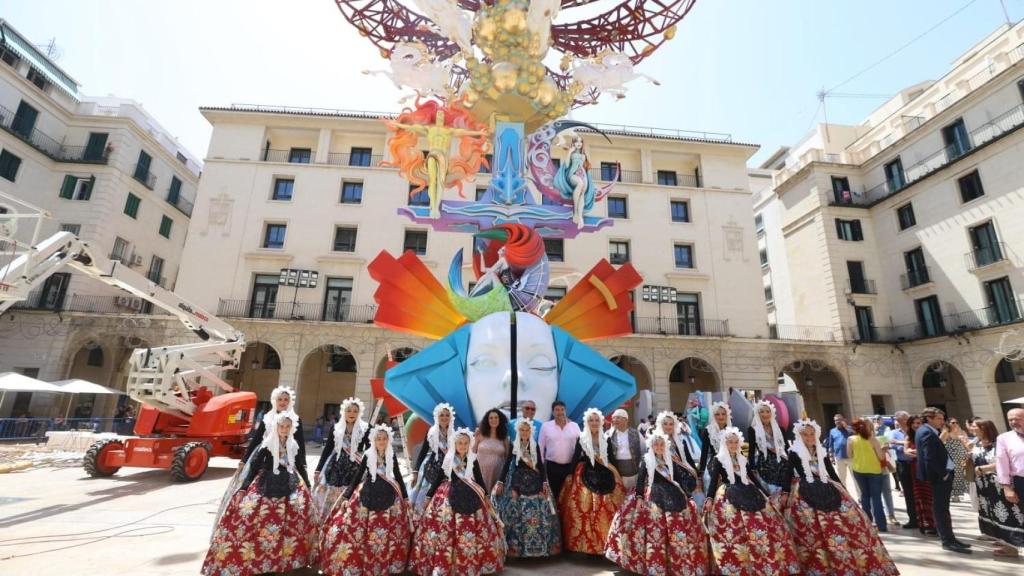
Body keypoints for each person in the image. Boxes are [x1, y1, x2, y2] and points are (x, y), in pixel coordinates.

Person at [203, 412, 318, 575]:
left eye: (287, 426)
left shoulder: (294, 445)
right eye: (281, 426)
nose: (284, 429)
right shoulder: (267, 444)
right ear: (276, 427)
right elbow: (255, 466)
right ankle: (255, 557)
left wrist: (307, 484)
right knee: (251, 517)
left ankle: (287, 559)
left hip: (291, 483)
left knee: (299, 516)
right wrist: (244, 487)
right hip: (266, 482)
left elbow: (299, 466)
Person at [783, 419, 898, 575]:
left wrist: (843, 489)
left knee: (847, 519)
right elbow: (788, 472)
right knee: (811, 526)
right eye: (805, 434)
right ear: (799, 435)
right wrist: (785, 493)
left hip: (827, 486)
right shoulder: (794, 451)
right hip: (805, 490)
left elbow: (831, 471)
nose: (809, 437)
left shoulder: (820, 449)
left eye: (812, 434)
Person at [605, 431, 710, 575]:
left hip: (674, 496)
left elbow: (679, 480)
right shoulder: (646, 459)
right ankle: (653, 564)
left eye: (662, 444)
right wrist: (640, 497)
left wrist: (688, 496)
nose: (659, 447)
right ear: (651, 446)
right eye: (656, 444)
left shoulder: (671, 460)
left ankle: (676, 564)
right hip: (653, 496)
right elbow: (640, 480)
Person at [409, 427, 506, 576]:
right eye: (459, 443)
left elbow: (478, 478)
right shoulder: (449, 459)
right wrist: (428, 497)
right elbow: (438, 478)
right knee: (445, 529)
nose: (462, 446)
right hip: (448, 495)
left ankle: (473, 564)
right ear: (455, 444)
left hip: (470, 494)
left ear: (469, 444)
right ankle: (444, 564)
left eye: (465, 443)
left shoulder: (472, 459)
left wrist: (486, 496)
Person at [704, 426, 800, 575]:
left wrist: (765, 492)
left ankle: (765, 559)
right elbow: (713, 481)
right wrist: (709, 498)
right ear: (724, 443)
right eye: (730, 442)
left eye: (736, 442)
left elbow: (753, 478)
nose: (733, 445)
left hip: (749, 491)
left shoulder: (742, 458)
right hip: (728, 494)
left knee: (761, 523)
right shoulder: (719, 459)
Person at [319, 424, 412, 575]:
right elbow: (357, 477)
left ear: (388, 440)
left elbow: (398, 476)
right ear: (373, 440)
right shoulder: (368, 455)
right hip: (367, 493)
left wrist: (406, 497)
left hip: (389, 494)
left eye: (384, 439)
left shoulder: (391, 455)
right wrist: (347, 497)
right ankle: (359, 562)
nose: (381, 441)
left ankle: (385, 563)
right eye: (378, 439)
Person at [558, 407, 626, 555]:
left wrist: (617, 474)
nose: (594, 422)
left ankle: (605, 545)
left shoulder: (606, 439)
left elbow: (611, 458)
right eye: (591, 420)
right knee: (583, 507)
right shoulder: (581, 438)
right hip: (585, 473)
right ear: (586, 422)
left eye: (596, 420)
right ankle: (586, 545)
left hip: (605, 474)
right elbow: (575, 457)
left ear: (601, 422)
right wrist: (570, 474)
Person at [493, 418, 561, 558]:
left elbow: (540, 466)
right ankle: (517, 548)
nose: (524, 432)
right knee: (517, 512)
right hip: (518, 482)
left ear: (531, 431)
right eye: (522, 430)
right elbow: (507, 464)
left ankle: (540, 547)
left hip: (535, 482)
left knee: (540, 510)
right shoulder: (514, 445)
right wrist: (500, 481)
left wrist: (544, 483)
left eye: (527, 430)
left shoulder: (534, 445)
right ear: (518, 431)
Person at [916, 406, 972, 554]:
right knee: (941, 510)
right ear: (929, 418)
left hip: (942, 475)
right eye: (939, 418)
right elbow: (930, 458)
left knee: (943, 509)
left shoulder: (928, 431)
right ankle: (948, 541)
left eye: (942, 418)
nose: (942, 422)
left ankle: (951, 538)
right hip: (939, 478)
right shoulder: (926, 433)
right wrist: (944, 474)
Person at [972, 418, 1022, 557]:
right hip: (984, 485)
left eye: (975, 426)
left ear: (984, 428)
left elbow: (1002, 462)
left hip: (998, 483)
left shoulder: (998, 443)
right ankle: (1004, 541)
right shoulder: (976, 443)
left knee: (1006, 512)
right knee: (993, 513)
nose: (972, 428)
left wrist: (983, 468)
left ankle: (1012, 546)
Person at [312, 397, 369, 520]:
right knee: (330, 493)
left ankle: (348, 521)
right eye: (349, 410)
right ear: (344, 412)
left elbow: (370, 451)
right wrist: (318, 469)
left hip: (356, 466)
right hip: (336, 466)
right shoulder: (336, 428)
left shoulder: (365, 428)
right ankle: (331, 520)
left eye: (355, 411)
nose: (352, 413)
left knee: (353, 493)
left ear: (359, 413)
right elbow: (327, 450)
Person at [241, 385, 306, 467]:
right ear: (275, 401)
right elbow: (256, 440)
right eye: (280, 399)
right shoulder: (267, 418)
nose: (283, 402)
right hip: (266, 459)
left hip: (288, 461)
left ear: (290, 402)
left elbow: (300, 442)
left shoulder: (295, 419)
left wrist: (303, 463)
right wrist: (244, 460)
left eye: (286, 399)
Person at [409, 403, 456, 515]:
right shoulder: (431, 432)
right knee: (426, 497)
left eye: (446, 415)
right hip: (432, 467)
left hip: (450, 468)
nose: (444, 418)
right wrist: (415, 471)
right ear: (436, 417)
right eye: (441, 415)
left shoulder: (455, 434)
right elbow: (423, 452)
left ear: (450, 417)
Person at [746, 400, 790, 508]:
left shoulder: (780, 429)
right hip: (764, 463)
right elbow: (751, 450)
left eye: (767, 411)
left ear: (772, 413)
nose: (765, 414)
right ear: (757, 414)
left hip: (782, 460)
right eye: (762, 412)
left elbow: (787, 448)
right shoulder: (752, 430)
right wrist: (751, 468)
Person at [848, 418, 890, 532]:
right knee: (876, 497)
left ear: (853, 429)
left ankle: (867, 524)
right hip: (874, 471)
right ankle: (882, 525)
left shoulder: (851, 439)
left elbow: (849, 454)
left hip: (859, 470)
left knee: (865, 496)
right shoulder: (873, 439)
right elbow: (881, 457)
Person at [538, 400, 580, 499]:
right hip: (552, 467)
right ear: (553, 412)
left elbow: (582, 445)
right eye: (557, 410)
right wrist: (540, 466)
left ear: (565, 411)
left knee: (568, 495)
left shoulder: (574, 426)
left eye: (562, 409)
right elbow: (540, 446)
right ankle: (555, 514)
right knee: (553, 494)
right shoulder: (546, 426)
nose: (560, 412)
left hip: (571, 467)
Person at [890, 410, 919, 528]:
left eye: (906, 419)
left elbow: (917, 444)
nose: (904, 422)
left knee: (920, 492)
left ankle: (923, 518)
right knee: (908, 492)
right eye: (901, 420)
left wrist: (900, 443)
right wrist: (904, 446)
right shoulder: (894, 433)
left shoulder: (916, 431)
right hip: (903, 464)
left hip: (916, 464)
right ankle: (913, 519)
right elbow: (892, 445)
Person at [606, 408, 642, 489]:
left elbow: (643, 451)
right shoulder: (608, 434)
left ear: (626, 420)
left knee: (633, 495)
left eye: (618, 417)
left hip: (634, 471)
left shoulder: (636, 433)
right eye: (614, 418)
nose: (615, 420)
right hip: (617, 472)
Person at [475, 407, 510, 492]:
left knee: (493, 502)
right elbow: (472, 451)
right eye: (491, 418)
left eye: (496, 417)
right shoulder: (479, 434)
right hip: (480, 474)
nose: (493, 420)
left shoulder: (504, 437)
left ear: (500, 419)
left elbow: (507, 458)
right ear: (487, 420)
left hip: (497, 474)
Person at [698, 401, 733, 477]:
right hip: (715, 464)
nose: (721, 417)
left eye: (723, 414)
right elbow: (704, 453)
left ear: (727, 415)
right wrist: (701, 473)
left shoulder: (732, 430)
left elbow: (738, 450)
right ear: (714, 416)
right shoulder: (708, 431)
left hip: (732, 463)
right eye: (717, 414)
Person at [941, 417, 970, 501]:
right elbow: (939, 442)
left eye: (956, 422)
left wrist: (969, 453)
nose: (955, 424)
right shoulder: (946, 432)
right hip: (951, 456)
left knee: (964, 473)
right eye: (953, 422)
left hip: (962, 455)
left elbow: (967, 443)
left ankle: (965, 492)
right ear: (948, 423)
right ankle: (955, 495)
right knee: (955, 474)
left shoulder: (962, 432)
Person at [825, 413, 852, 489]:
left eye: (840, 420)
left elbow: (854, 434)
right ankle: (845, 496)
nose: (838, 421)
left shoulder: (849, 429)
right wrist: (831, 457)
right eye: (836, 420)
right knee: (841, 479)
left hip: (850, 457)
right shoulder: (832, 431)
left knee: (855, 478)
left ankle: (860, 497)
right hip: (839, 458)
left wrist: (846, 426)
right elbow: (830, 445)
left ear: (843, 420)